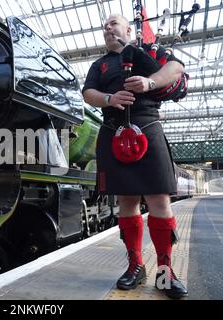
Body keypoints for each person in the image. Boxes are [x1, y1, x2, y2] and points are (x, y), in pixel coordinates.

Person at [82, 14, 188, 299]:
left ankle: (165, 272)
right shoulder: (98, 64)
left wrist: (149, 83)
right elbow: (88, 92)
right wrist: (109, 99)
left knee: (159, 200)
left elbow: (176, 68)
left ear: (128, 29)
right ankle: (135, 266)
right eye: (103, 25)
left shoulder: (150, 51)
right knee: (126, 201)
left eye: (112, 24)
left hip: (148, 125)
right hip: (113, 130)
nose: (107, 28)